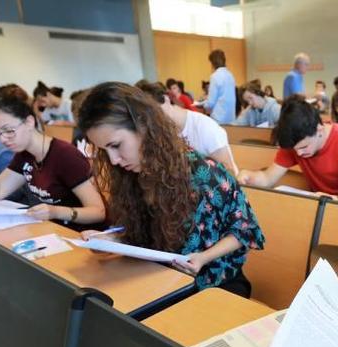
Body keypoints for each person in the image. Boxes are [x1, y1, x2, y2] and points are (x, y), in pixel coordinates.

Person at [78, 82, 265, 297]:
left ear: (143, 126)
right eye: (104, 151)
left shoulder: (205, 174)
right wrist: (112, 240)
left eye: (116, 145)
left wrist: (203, 257)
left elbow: (245, 229)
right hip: (166, 279)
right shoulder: (132, 176)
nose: (114, 160)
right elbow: (147, 235)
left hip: (216, 283)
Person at [0, 85, 105, 226]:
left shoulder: (65, 155)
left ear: (30, 122)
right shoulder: (24, 155)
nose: (3, 139)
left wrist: (56, 212)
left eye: (8, 130)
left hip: (78, 234)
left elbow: (98, 212)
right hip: (50, 231)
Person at [238, 96, 338, 206]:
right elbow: (268, 177)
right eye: (296, 150)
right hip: (321, 206)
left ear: (319, 129)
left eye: (304, 147)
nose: (299, 154)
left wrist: (335, 200)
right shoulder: (295, 142)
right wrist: (249, 177)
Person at [136, 80, 238, 175]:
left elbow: (229, 173)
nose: (152, 119)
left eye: (153, 111)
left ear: (166, 99)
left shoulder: (205, 127)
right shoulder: (159, 132)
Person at [204, 49, 237, 124]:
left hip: (219, 117)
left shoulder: (215, 76)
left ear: (213, 63)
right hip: (231, 116)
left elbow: (211, 102)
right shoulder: (230, 75)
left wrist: (202, 104)